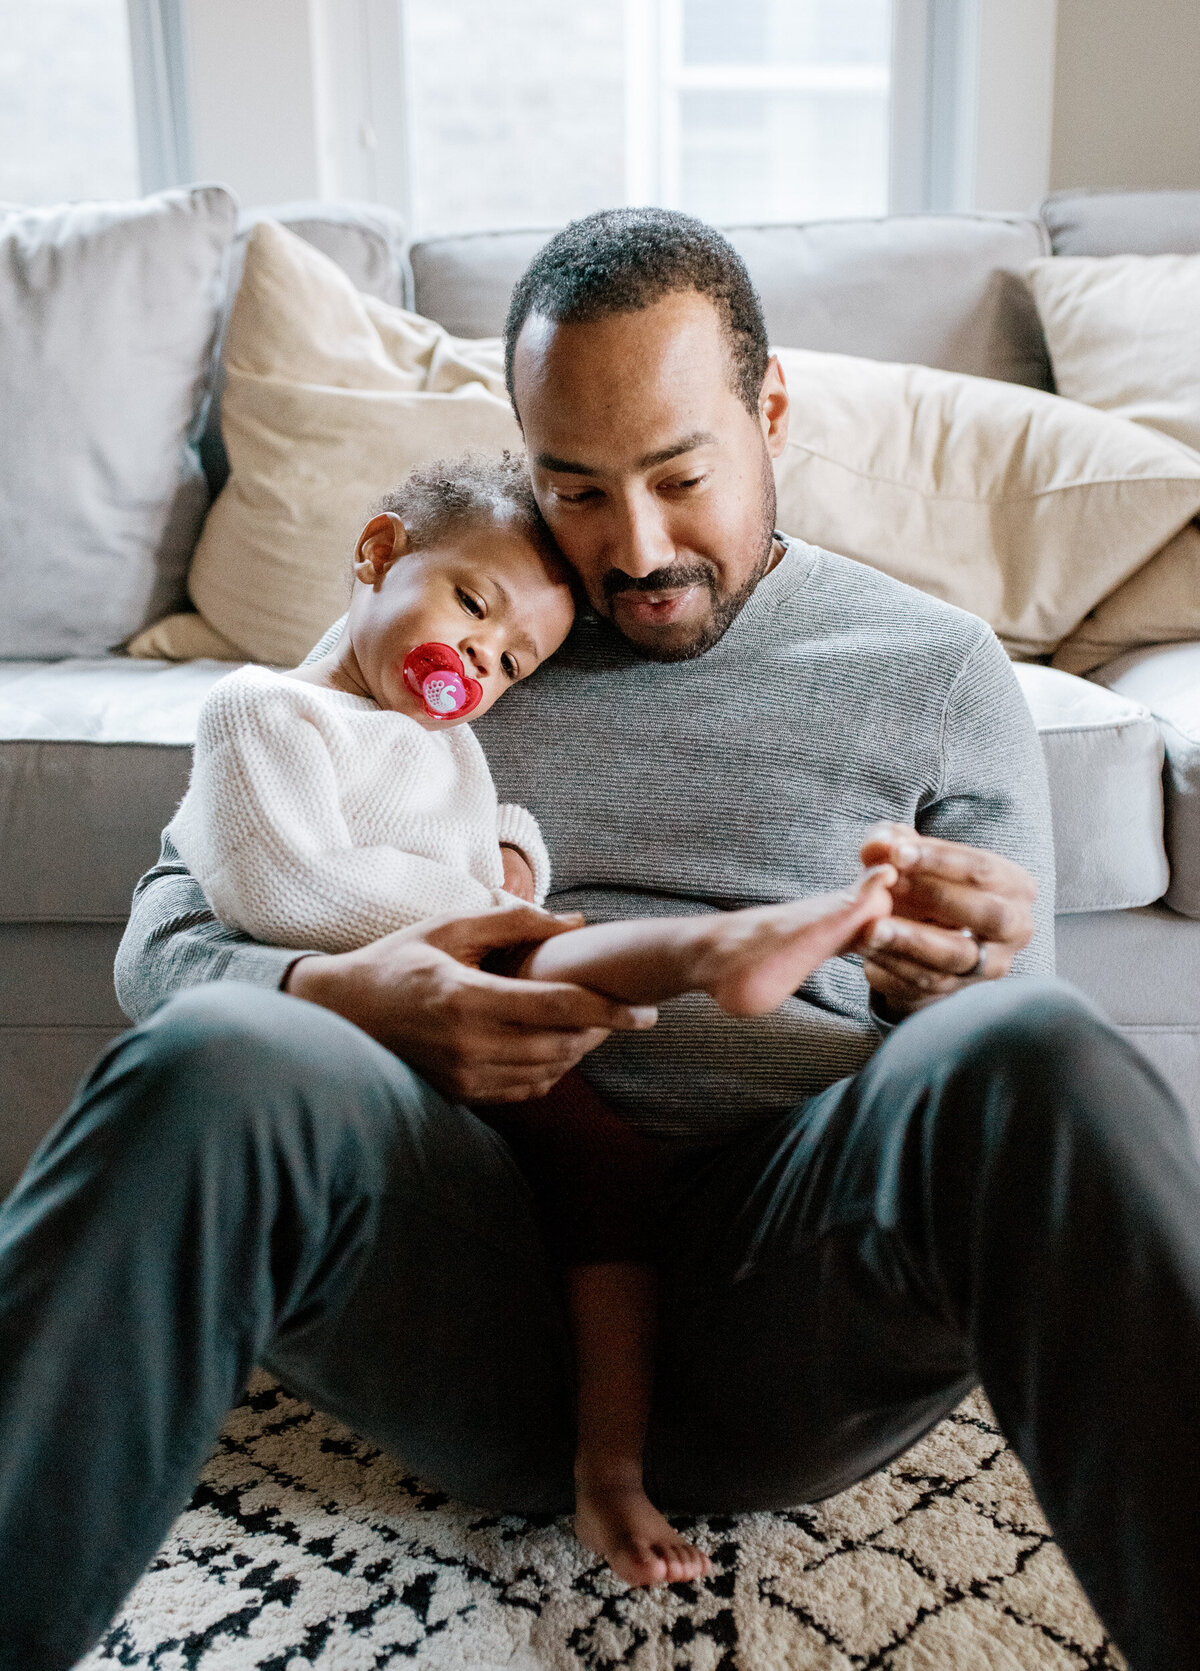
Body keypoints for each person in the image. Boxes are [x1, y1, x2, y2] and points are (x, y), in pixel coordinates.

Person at [2, 208, 1199, 1671]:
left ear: (771, 413)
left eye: (680, 476)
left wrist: (954, 972)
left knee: (1036, 1040)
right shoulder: (469, 626)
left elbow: (1001, 1089)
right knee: (219, 1045)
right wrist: (346, 990)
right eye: (575, 487)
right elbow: (168, 937)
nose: (634, 548)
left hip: (794, 1297)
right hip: (472, 1278)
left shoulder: (933, 671)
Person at [169, 448, 897, 1585]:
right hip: (361, 1049)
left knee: (609, 1181)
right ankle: (716, 950)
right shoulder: (262, 711)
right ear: (376, 554)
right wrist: (497, 915)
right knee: (558, 955)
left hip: (488, 1025)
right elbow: (287, 888)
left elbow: (470, 843)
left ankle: (609, 1470)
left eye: (511, 659)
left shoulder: (451, 745)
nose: (478, 658)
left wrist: (512, 847)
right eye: (471, 605)